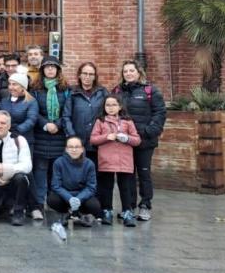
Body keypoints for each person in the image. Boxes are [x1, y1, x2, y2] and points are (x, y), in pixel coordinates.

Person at [114, 60, 166, 221]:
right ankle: (128, 207)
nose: (128, 73)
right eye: (125, 71)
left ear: (139, 72)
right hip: (125, 141)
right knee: (127, 175)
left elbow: (160, 113)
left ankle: (145, 205)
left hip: (144, 141)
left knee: (144, 173)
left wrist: (149, 131)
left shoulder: (150, 90)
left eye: (131, 70)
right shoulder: (117, 91)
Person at [90, 94, 142, 227]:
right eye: (108, 105)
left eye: (114, 105)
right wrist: (107, 136)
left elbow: (137, 140)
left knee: (125, 188)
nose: (111, 108)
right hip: (106, 160)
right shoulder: (100, 121)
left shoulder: (127, 121)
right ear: (104, 107)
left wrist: (126, 138)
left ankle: (127, 212)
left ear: (120, 106)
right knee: (106, 188)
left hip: (124, 160)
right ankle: (106, 211)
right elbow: (93, 139)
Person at [30, 57, 69, 221]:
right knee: (40, 171)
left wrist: (58, 125)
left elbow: (68, 111)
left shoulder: (66, 89)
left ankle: (56, 203)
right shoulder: (35, 89)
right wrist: (46, 124)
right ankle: (38, 204)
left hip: (59, 136)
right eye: (47, 67)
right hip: (41, 135)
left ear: (58, 70)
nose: (50, 70)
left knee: (57, 172)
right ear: (42, 70)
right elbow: (33, 111)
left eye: (53, 67)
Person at [48, 137, 100, 230]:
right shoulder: (59, 162)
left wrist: (79, 199)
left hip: (82, 196)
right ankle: (64, 213)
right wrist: (69, 198)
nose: (74, 149)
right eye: (71, 147)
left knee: (94, 206)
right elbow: (56, 185)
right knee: (52, 199)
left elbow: (91, 187)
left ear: (82, 149)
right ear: (66, 149)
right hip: (65, 196)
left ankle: (81, 214)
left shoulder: (89, 164)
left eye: (77, 147)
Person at [63, 62, 108, 168]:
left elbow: (109, 114)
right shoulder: (72, 93)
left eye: (91, 74)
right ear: (79, 75)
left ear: (95, 77)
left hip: (98, 142)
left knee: (97, 174)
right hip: (78, 142)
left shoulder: (102, 92)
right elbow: (66, 116)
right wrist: (72, 136)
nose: (87, 77)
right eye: (85, 73)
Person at [0, 71, 38, 148]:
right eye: (10, 84)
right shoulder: (4, 101)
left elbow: (31, 120)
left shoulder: (31, 101)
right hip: (6, 140)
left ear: (23, 87)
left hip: (24, 141)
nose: (10, 87)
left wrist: (18, 130)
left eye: (14, 84)